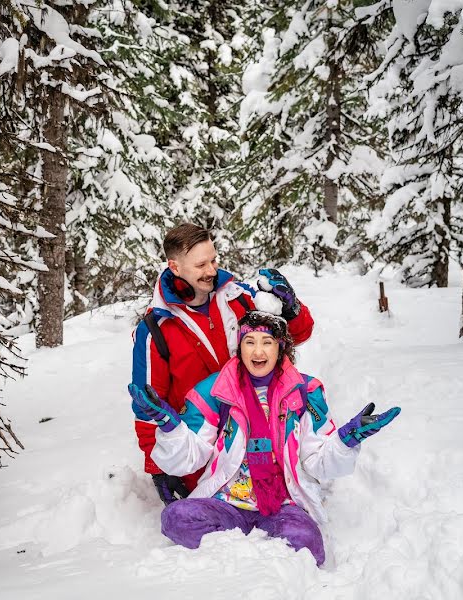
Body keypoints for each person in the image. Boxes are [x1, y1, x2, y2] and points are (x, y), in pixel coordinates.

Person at [127, 311, 401, 565]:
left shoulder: (305, 391)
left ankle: (258, 563)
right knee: (176, 518)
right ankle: (241, 563)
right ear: (240, 346)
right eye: (249, 341)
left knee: (307, 544)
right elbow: (187, 460)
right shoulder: (215, 390)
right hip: (227, 502)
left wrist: (347, 439)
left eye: (267, 342)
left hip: (282, 504)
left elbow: (318, 462)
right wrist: (169, 425)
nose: (258, 351)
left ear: (281, 346)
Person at [131, 223, 315, 505]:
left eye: (214, 260)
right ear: (175, 267)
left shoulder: (239, 298)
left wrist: (292, 309)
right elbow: (147, 407)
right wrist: (159, 469)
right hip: (201, 449)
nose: (212, 271)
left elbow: (298, 335)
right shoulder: (155, 328)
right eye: (201, 264)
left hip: (257, 437)